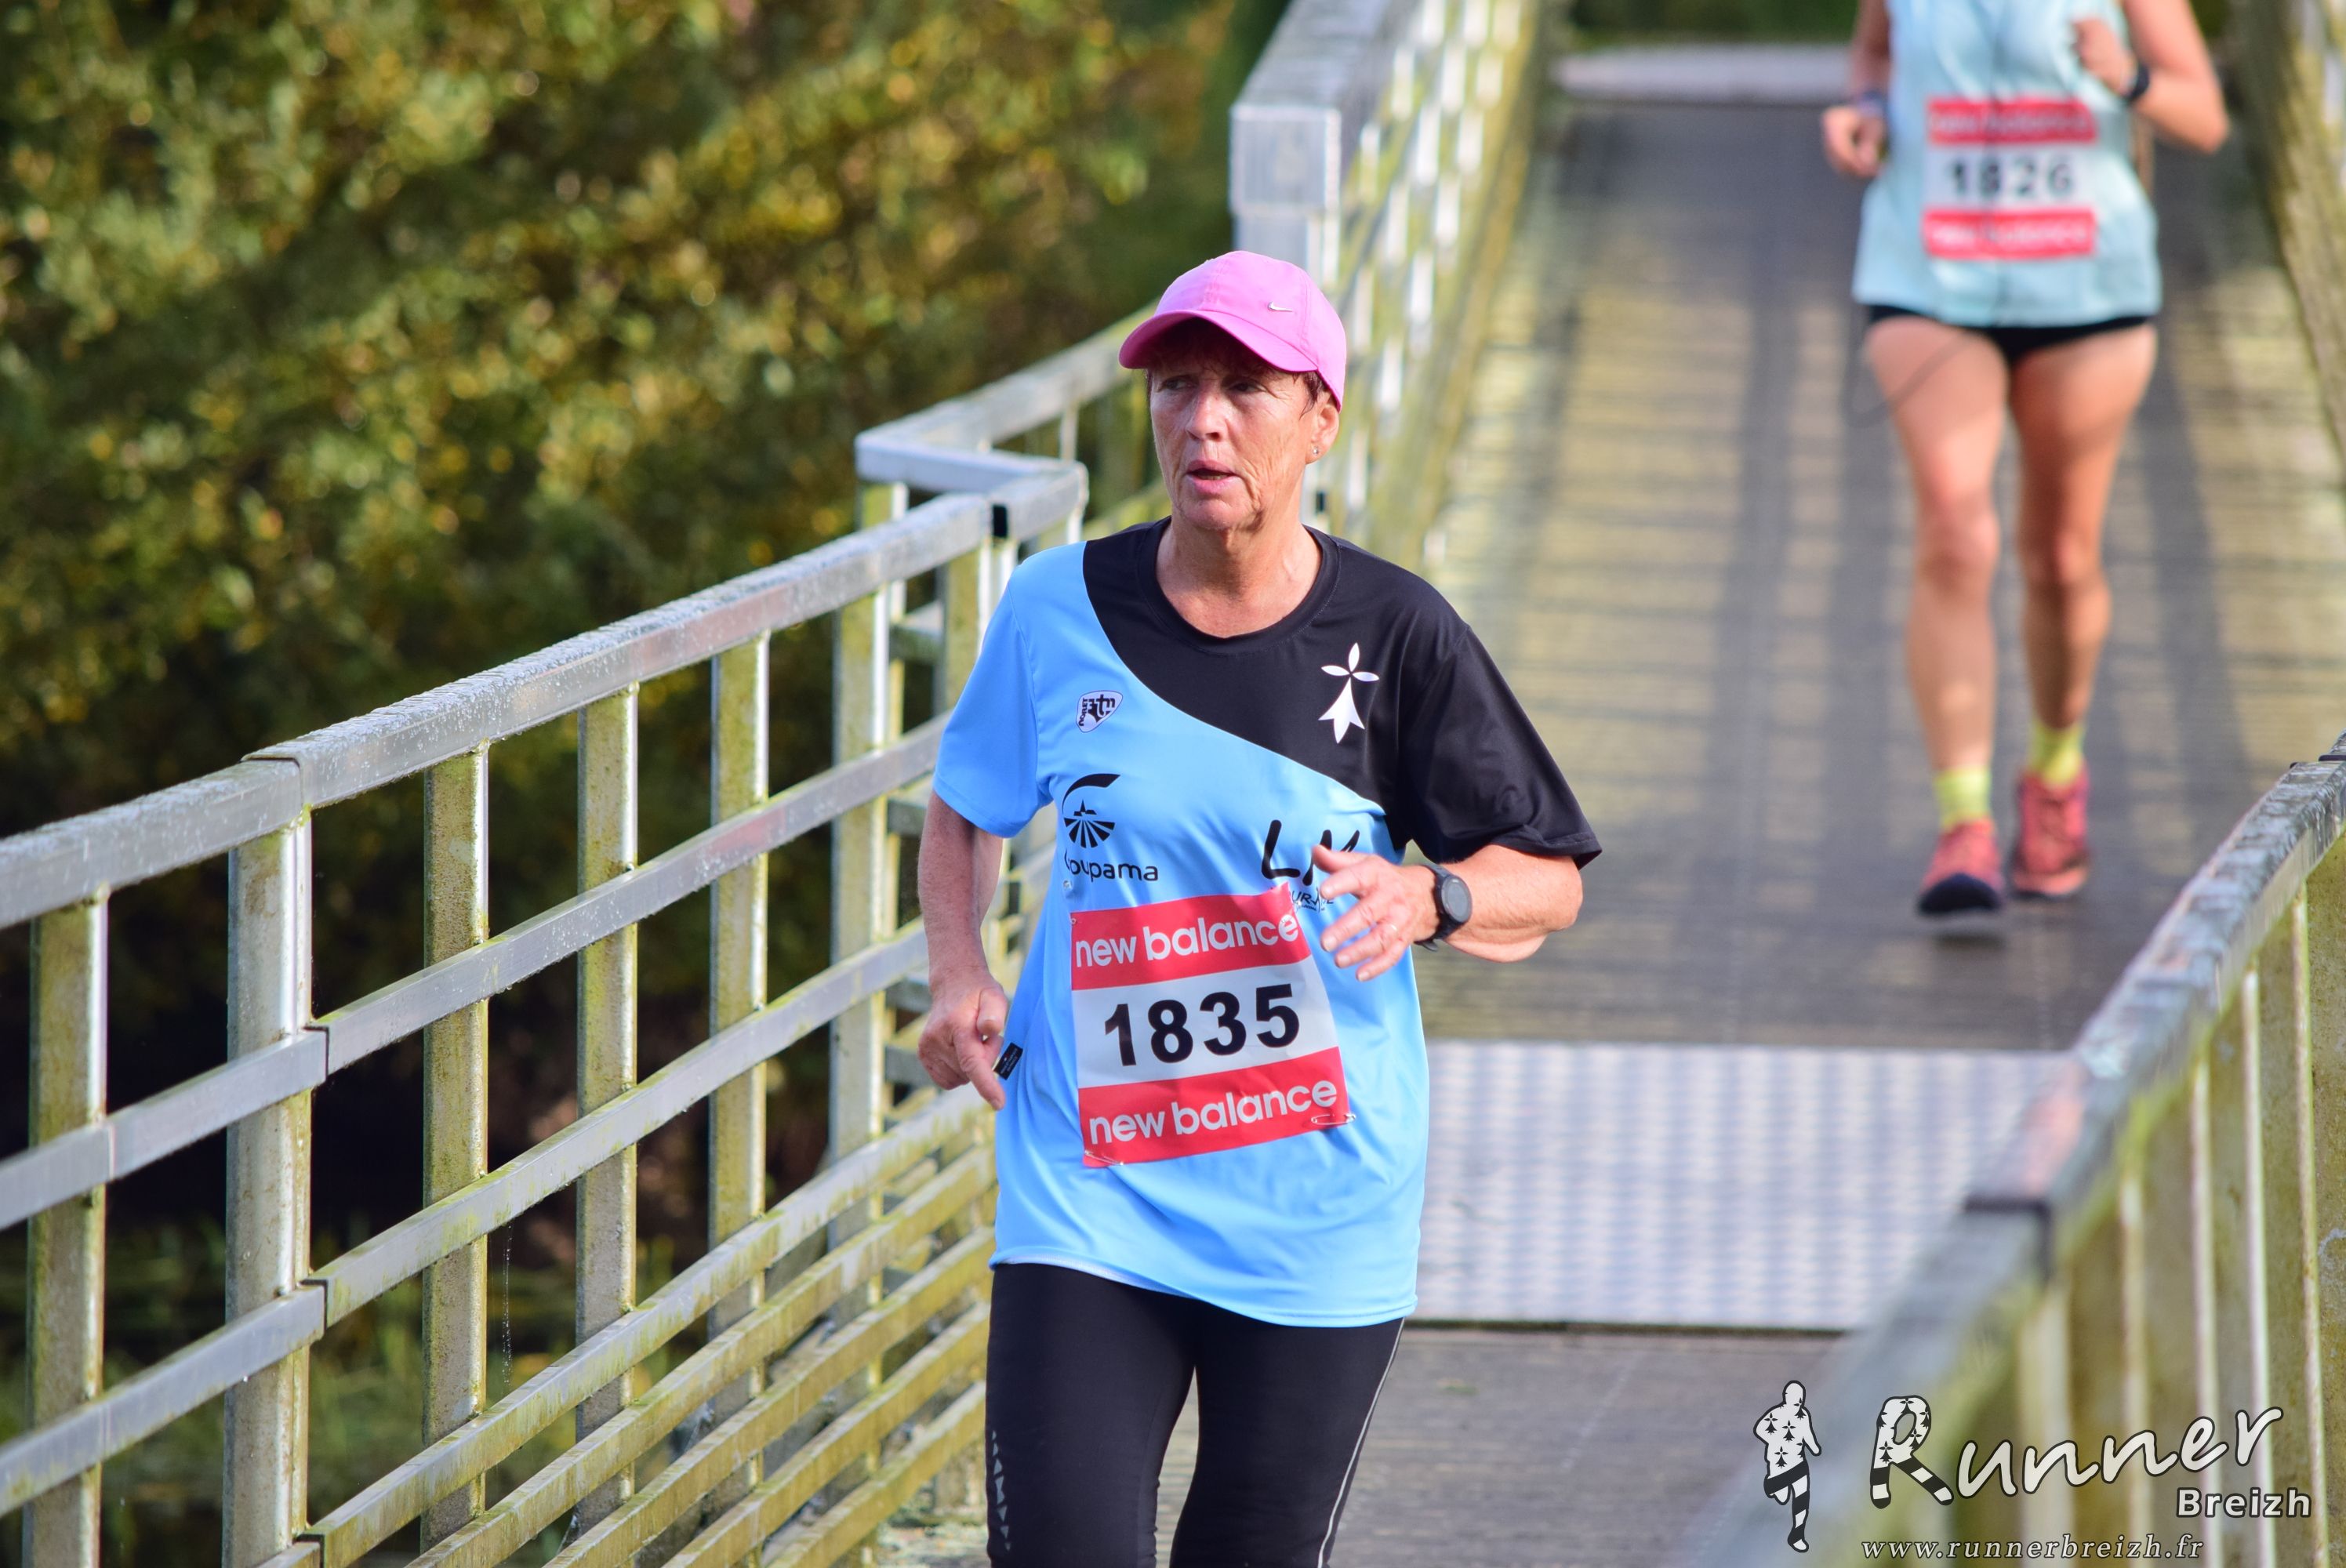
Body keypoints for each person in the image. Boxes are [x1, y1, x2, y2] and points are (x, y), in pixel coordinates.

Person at [913, 249, 1598, 1567]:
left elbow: (1549, 877)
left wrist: (1431, 893)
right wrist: (957, 975)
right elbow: (964, 806)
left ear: (1320, 419)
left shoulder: (1398, 635)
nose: (1203, 421)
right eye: (1176, 387)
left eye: (1244, 388)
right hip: (1092, 1187)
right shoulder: (1058, 606)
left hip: (1315, 1212)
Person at [1820, 0, 2225, 916]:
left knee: (2061, 557)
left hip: (2085, 289)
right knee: (1955, 536)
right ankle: (1962, 823)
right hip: (1929, 278)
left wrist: (2126, 76)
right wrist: (1865, 112)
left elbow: (2203, 118)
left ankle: (2054, 774)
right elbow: (1873, 55)